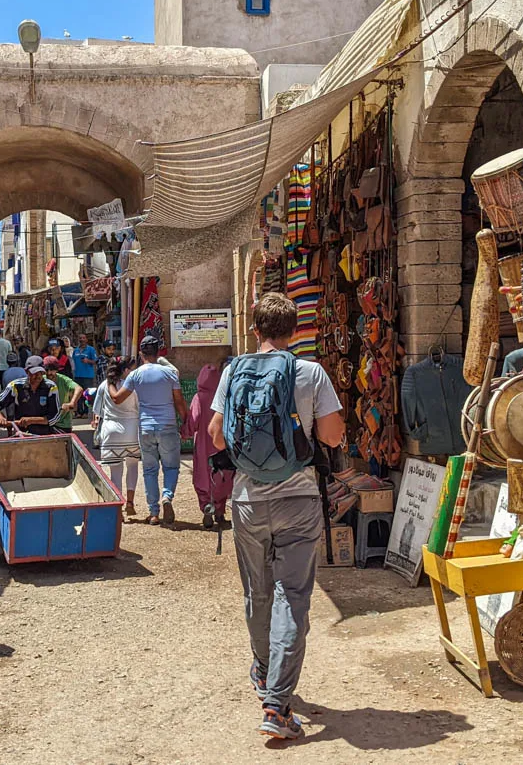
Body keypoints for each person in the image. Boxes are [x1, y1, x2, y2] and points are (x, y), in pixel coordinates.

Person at [208, 293, 345, 741]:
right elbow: (331, 433)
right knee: (293, 594)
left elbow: (214, 438)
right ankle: (277, 704)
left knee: (258, 592)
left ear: (254, 329)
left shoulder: (234, 371)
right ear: (296, 331)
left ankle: (265, 671)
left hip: (247, 501)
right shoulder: (310, 372)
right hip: (299, 500)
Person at [112, 336, 189, 526]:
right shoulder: (169, 374)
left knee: (149, 470)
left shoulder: (135, 375)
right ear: (158, 352)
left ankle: (154, 513)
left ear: (141, 354)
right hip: (167, 425)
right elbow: (179, 401)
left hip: (146, 427)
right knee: (171, 467)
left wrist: (109, 383)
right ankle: (167, 497)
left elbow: (118, 399)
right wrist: (186, 420)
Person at [182, 363, 234, 529]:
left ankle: (206, 508)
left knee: (203, 475)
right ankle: (220, 511)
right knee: (223, 476)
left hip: (203, 444)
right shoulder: (225, 396)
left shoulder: (199, 397)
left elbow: (194, 419)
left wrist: (185, 432)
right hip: (221, 442)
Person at [92, 357, 141, 522]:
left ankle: (118, 508)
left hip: (111, 432)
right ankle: (131, 503)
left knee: (115, 472)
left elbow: (97, 411)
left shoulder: (103, 386)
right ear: (126, 370)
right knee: (132, 466)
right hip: (131, 430)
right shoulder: (132, 386)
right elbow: (140, 408)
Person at [0, 355, 62, 435]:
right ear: (27, 372)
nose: (38, 376)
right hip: (22, 434)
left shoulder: (51, 387)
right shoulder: (15, 385)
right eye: (34, 373)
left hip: (44, 434)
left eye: (40, 372)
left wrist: (30, 420)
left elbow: (55, 416)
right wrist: (0, 417)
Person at [44, 355, 84, 434]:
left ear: (57, 370)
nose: (49, 373)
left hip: (62, 423)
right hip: (45, 422)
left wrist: (72, 403)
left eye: (52, 370)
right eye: (47, 370)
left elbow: (79, 389)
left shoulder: (63, 380)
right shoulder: (41, 379)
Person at [71, 333, 98, 416]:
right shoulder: (75, 350)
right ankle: (79, 412)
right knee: (78, 394)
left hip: (88, 376)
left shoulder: (91, 349)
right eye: (80, 338)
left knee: (87, 395)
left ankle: (86, 412)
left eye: (83, 338)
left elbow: (96, 361)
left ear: (86, 340)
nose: (82, 340)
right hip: (77, 375)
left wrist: (88, 361)